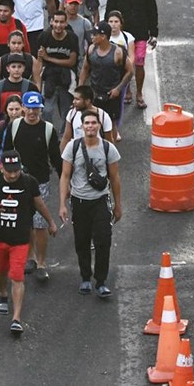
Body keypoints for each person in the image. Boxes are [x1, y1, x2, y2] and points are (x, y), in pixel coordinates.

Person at [0, 151, 58, 335]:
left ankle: (16, 318)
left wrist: (51, 222)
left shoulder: (29, 182)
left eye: (16, 171)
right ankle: (3, 295)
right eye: (9, 171)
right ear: (1, 166)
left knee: (17, 276)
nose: (12, 175)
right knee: (1, 271)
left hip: (21, 239)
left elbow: (39, 204)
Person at [0, 90, 62, 281]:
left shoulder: (48, 129)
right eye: (29, 108)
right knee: (25, 222)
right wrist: (3, 173)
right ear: (23, 108)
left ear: (41, 109)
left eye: (36, 109)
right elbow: (6, 152)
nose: (32, 112)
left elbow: (56, 159)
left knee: (40, 224)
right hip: (18, 181)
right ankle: (30, 257)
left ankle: (41, 263)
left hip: (41, 182)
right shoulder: (14, 126)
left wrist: (66, 180)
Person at [58, 109, 122, 298]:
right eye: (87, 123)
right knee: (82, 241)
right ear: (81, 126)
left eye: (94, 123)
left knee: (104, 241)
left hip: (101, 201)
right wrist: (62, 203)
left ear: (99, 126)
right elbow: (65, 176)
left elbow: (115, 178)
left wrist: (118, 205)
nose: (91, 126)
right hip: (79, 202)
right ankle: (85, 277)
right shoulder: (73, 147)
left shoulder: (109, 148)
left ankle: (101, 281)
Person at [104, 0, 157, 110]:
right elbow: (110, 11)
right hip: (123, 34)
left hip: (140, 33)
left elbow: (153, 12)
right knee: (123, 63)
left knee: (139, 62)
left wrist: (153, 33)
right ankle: (126, 89)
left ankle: (139, 93)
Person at [78, 25, 128, 125]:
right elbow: (85, 68)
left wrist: (118, 88)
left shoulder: (117, 52)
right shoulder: (91, 49)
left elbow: (130, 71)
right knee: (93, 122)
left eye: (95, 35)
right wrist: (80, 90)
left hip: (111, 95)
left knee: (111, 124)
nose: (92, 37)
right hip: (95, 94)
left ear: (103, 36)